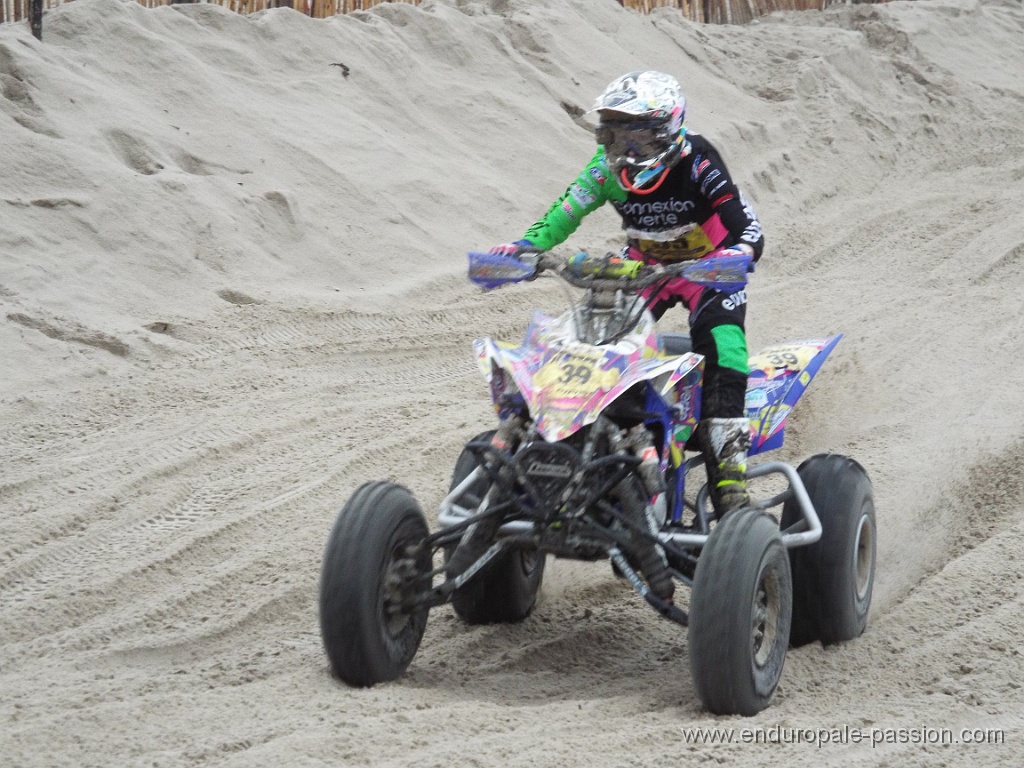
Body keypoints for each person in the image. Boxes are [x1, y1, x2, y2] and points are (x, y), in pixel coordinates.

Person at [489, 70, 765, 519]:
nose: (627, 149)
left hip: (707, 267)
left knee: (723, 346)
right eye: (615, 135)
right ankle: (588, 448)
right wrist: (524, 248)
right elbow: (563, 214)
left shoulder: (697, 159)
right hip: (644, 269)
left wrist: (739, 253)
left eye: (639, 135)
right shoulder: (605, 170)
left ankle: (729, 482)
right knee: (593, 342)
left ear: (669, 129)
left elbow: (744, 224)